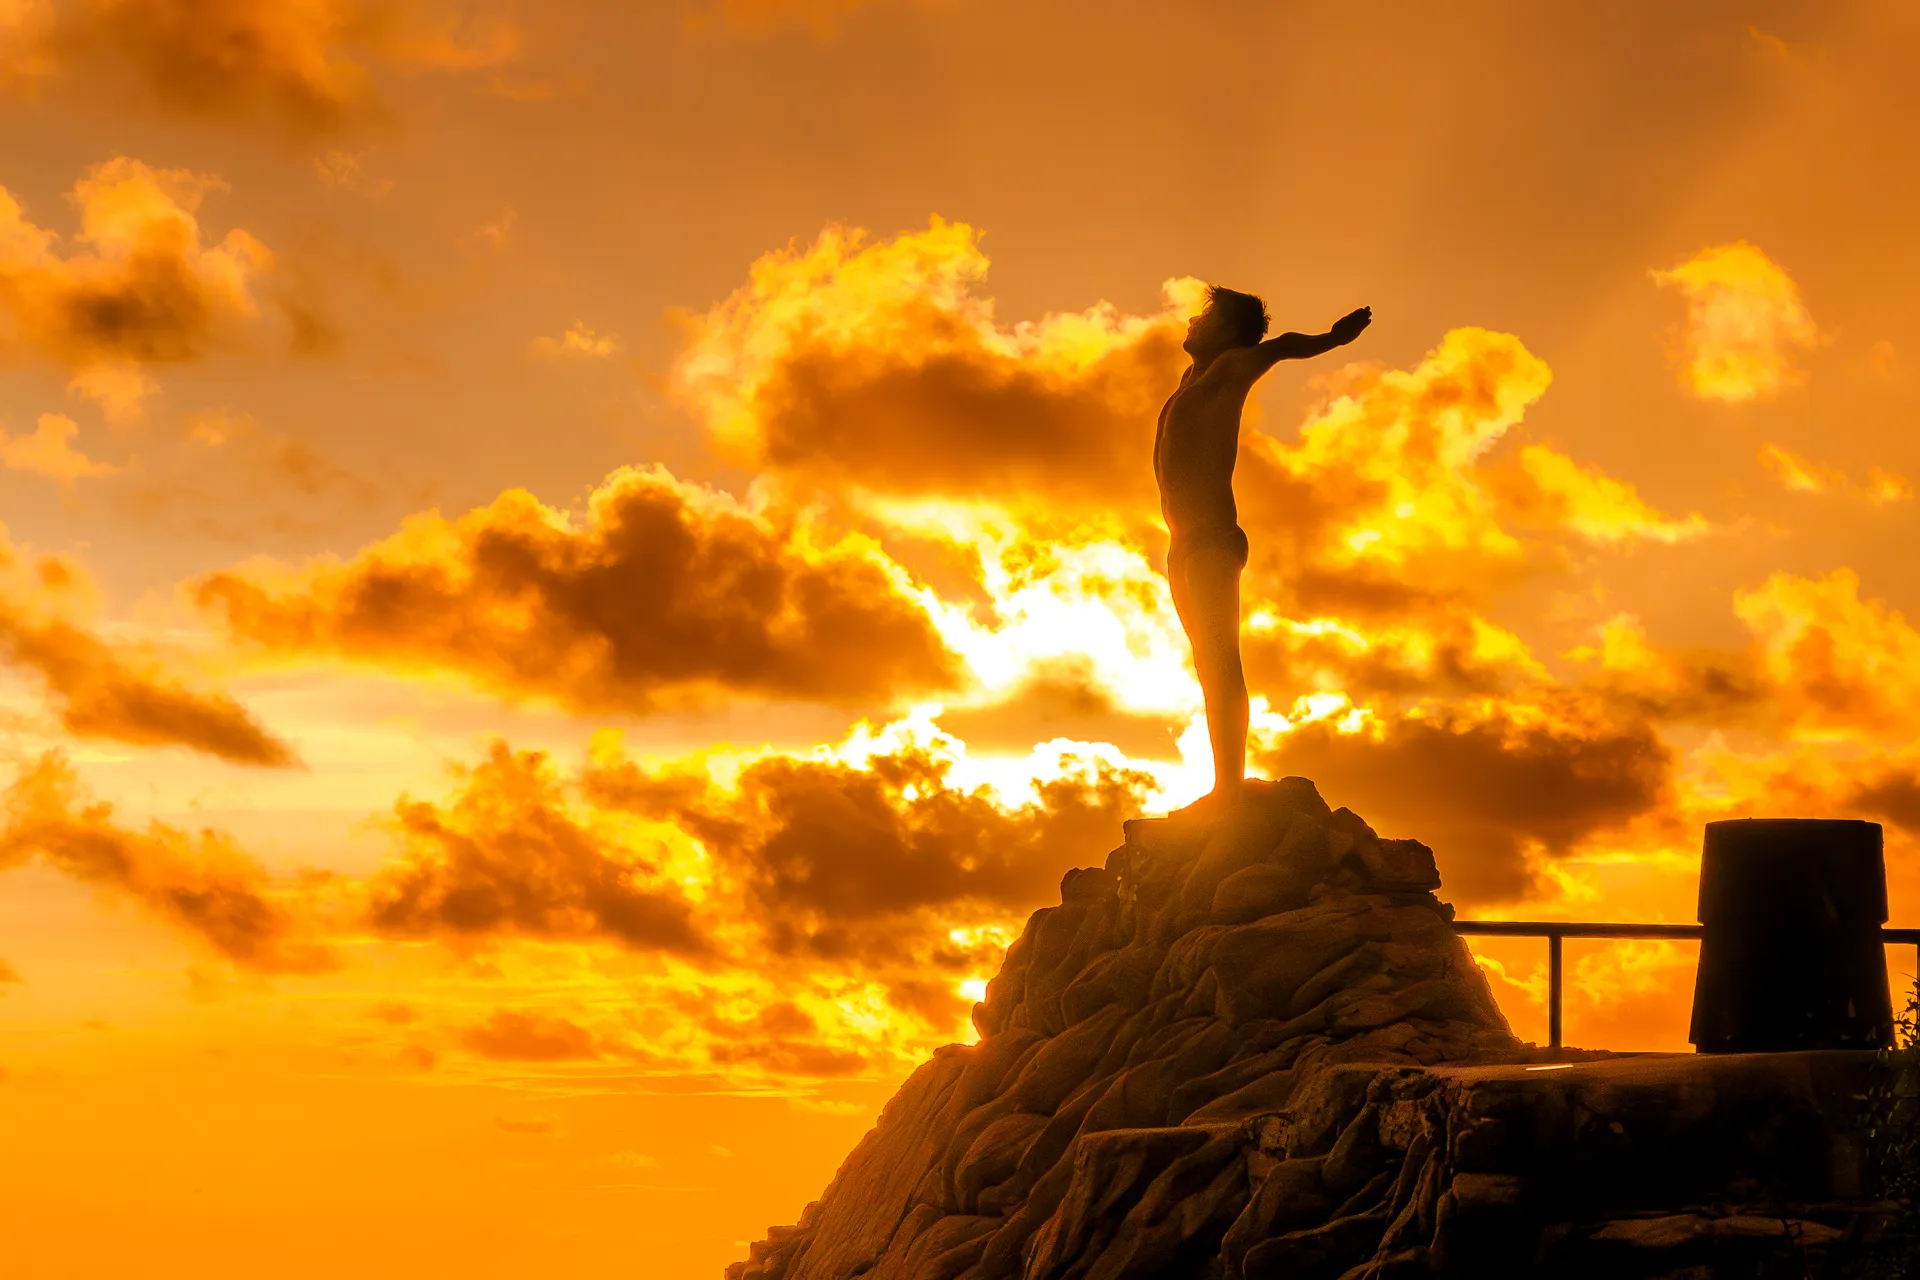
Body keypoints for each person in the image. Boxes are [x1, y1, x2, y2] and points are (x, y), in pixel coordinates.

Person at [1153, 286, 1372, 811]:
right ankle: (1220, 785)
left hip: (1211, 541)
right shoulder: (1190, 380)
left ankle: (1230, 787)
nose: (1193, 321)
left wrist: (1330, 340)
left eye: (1205, 316)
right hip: (1180, 546)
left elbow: (1280, 346)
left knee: (1222, 661)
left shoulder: (1233, 365)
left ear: (1227, 331)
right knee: (1206, 665)